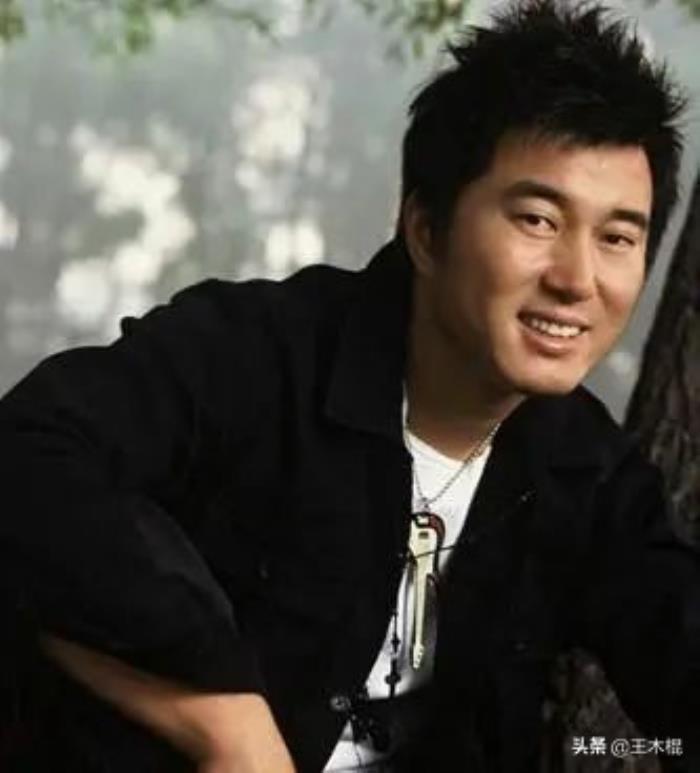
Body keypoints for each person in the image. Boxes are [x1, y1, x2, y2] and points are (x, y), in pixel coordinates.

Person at [0, 0, 698, 770]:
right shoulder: (256, 352)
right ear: (425, 230)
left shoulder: (587, 471)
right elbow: (28, 455)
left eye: (617, 237)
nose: (577, 279)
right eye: (537, 219)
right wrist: (223, 720)